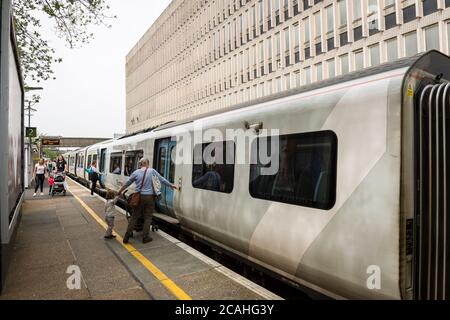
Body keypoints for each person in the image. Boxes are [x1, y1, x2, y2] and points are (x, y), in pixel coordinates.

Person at [117, 158, 177, 244]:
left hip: (139, 197)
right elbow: (161, 179)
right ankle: (145, 237)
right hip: (149, 197)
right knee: (148, 217)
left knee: (134, 216)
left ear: (140, 164)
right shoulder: (152, 171)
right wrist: (171, 185)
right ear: (147, 163)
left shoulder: (136, 172)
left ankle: (127, 236)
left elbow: (128, 183)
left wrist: (120, 191)